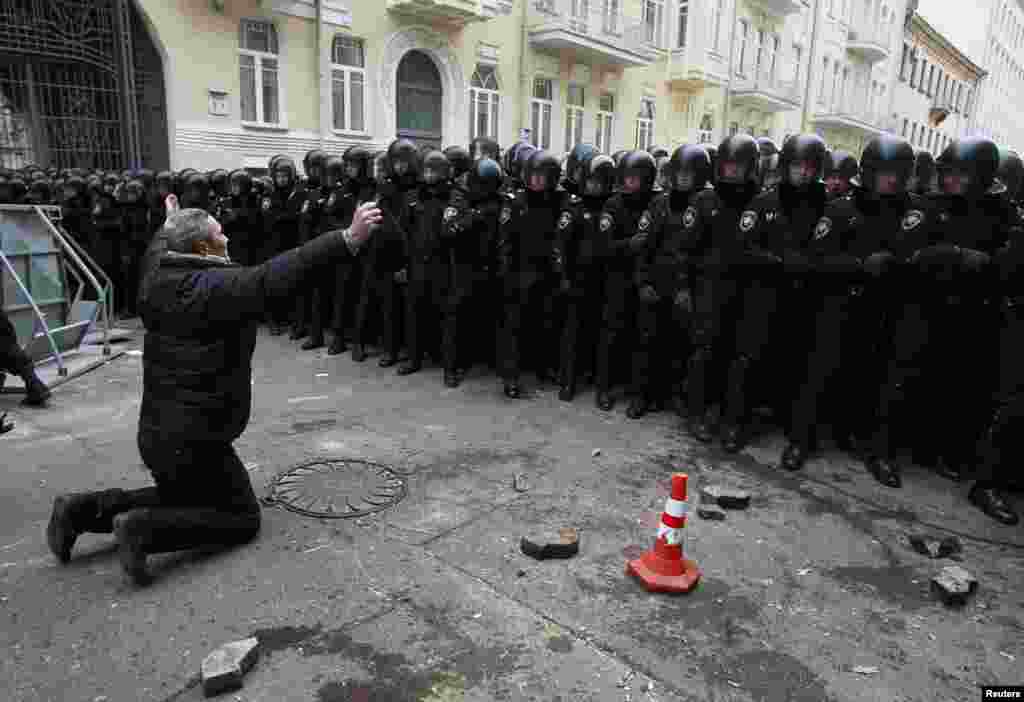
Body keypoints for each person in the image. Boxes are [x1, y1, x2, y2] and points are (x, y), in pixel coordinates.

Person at [44, 194, 381, 586]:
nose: (227, 238)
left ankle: (79, 511)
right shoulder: (217, 287)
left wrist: (172, 218)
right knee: (240, 516)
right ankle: (143, 530)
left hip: (157, 432)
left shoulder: (156, 274)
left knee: (185, 500)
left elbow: (159, 244)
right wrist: (347, 238)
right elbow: (279, 273)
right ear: (202, 246)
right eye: (219, 234)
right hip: (198, 440)